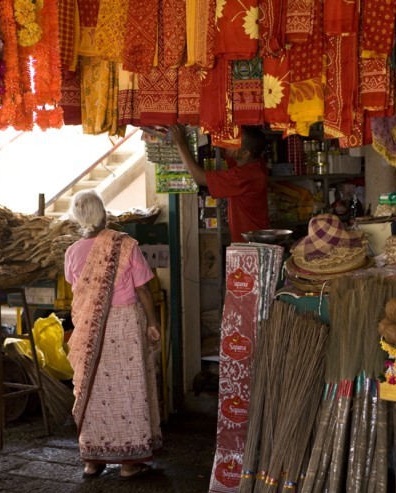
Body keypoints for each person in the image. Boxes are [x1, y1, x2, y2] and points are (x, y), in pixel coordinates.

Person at [64, 190, 162, 480]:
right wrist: (153, 322)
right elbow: (143, 289)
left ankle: (93, 459)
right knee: (128, 388)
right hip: (124, 324)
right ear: (104, 214)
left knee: (92, 389)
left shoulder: (71, 252)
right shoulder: (125, 244)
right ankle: (130, 463)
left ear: (76, 218)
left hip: (88, 328)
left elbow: (78, 291)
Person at [169, 124, 270, 243]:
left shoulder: (244, 175)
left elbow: (199, 178)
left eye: (234, 141)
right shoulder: (253, 162)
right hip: (251, 239)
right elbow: (222, 144)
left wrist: (180, 143)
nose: (229, 142)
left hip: (251, 244)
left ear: (245, 153)